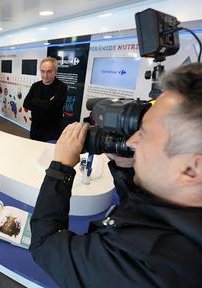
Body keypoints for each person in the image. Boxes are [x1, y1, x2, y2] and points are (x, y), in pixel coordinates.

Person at [29, 63, 202, 287]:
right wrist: (126, 168)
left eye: (145, 134)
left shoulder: (142, 262)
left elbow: (45, 244)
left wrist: (60, 167)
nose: (131, 141)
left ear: (191, 169)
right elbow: (145, 210)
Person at [23, 57, 67, 142]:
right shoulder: (35, 86)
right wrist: (47, 103)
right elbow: (26, 103)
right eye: (42, 71)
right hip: (35, 130)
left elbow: (50, 106)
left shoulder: (61, 87)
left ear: (55, 72)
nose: (45, 75)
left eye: (49, 71)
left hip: (52, 133)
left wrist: (34, 100)